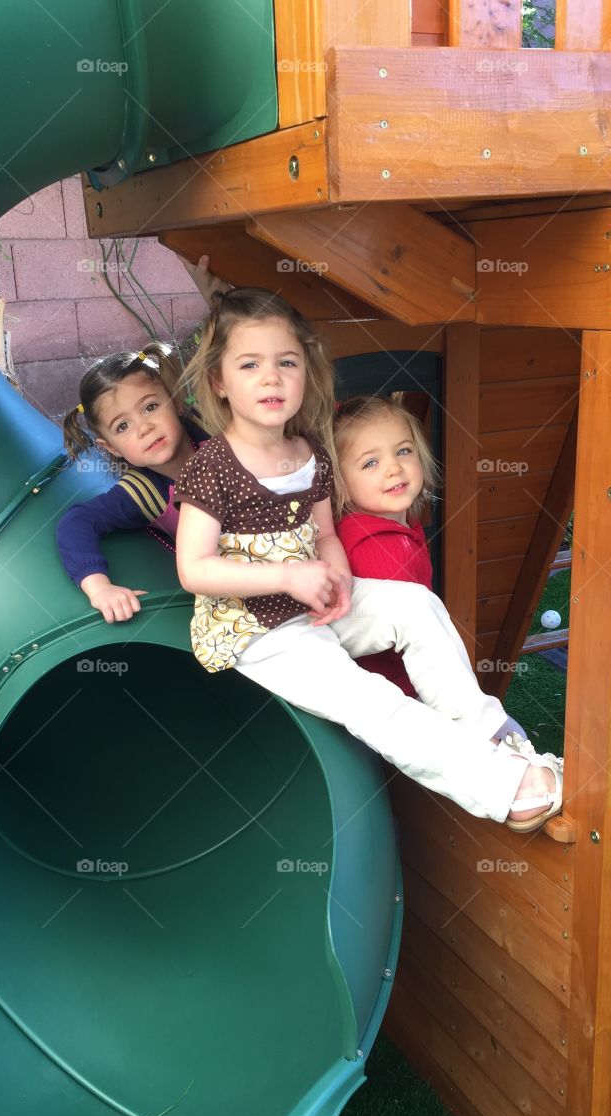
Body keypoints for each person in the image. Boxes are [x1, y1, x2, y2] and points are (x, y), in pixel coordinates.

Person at [173, 288, 563, 831]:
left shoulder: (307, 451)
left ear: (305, 372)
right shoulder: (213, 464)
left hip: (312, 603)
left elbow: (326, 535)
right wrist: (289, 574)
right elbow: (194, 568)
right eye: (250, 364)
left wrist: (339, 581)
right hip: (253, 631)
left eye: (287, 362)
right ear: (219, 381)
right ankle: (499, 787)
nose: (271, 378)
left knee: (414, 605)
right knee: (367, 698)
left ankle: (488, 730)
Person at [331, 393, 557, 770]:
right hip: (395, 693)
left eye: (403, 452)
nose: (393, 469)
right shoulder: (377, 547)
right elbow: (400, 640)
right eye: (370, 462)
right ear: (339, 482)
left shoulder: (397, 524)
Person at [56, 342, 207, 622]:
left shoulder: (219, 438)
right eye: (122, 426)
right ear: (111, 448)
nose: (144, 427)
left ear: (175, 402)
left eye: (150, 407)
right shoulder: (143, 492)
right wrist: (99, 587)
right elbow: (77, 522)